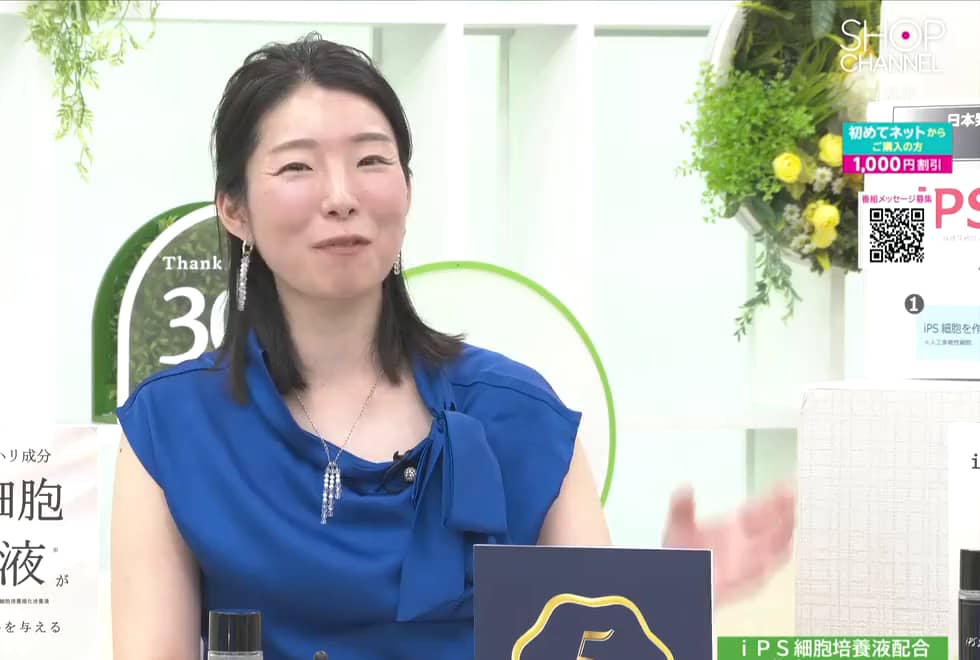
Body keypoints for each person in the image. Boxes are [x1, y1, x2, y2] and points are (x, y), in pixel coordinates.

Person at [110, 33, 796, 660]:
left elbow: (599, 641)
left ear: (407, 190)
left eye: (371, 160)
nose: (341, 196)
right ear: (234, 209)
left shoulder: (516, 414)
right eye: (297, 167)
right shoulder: (172, 427)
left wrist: (676, 609)